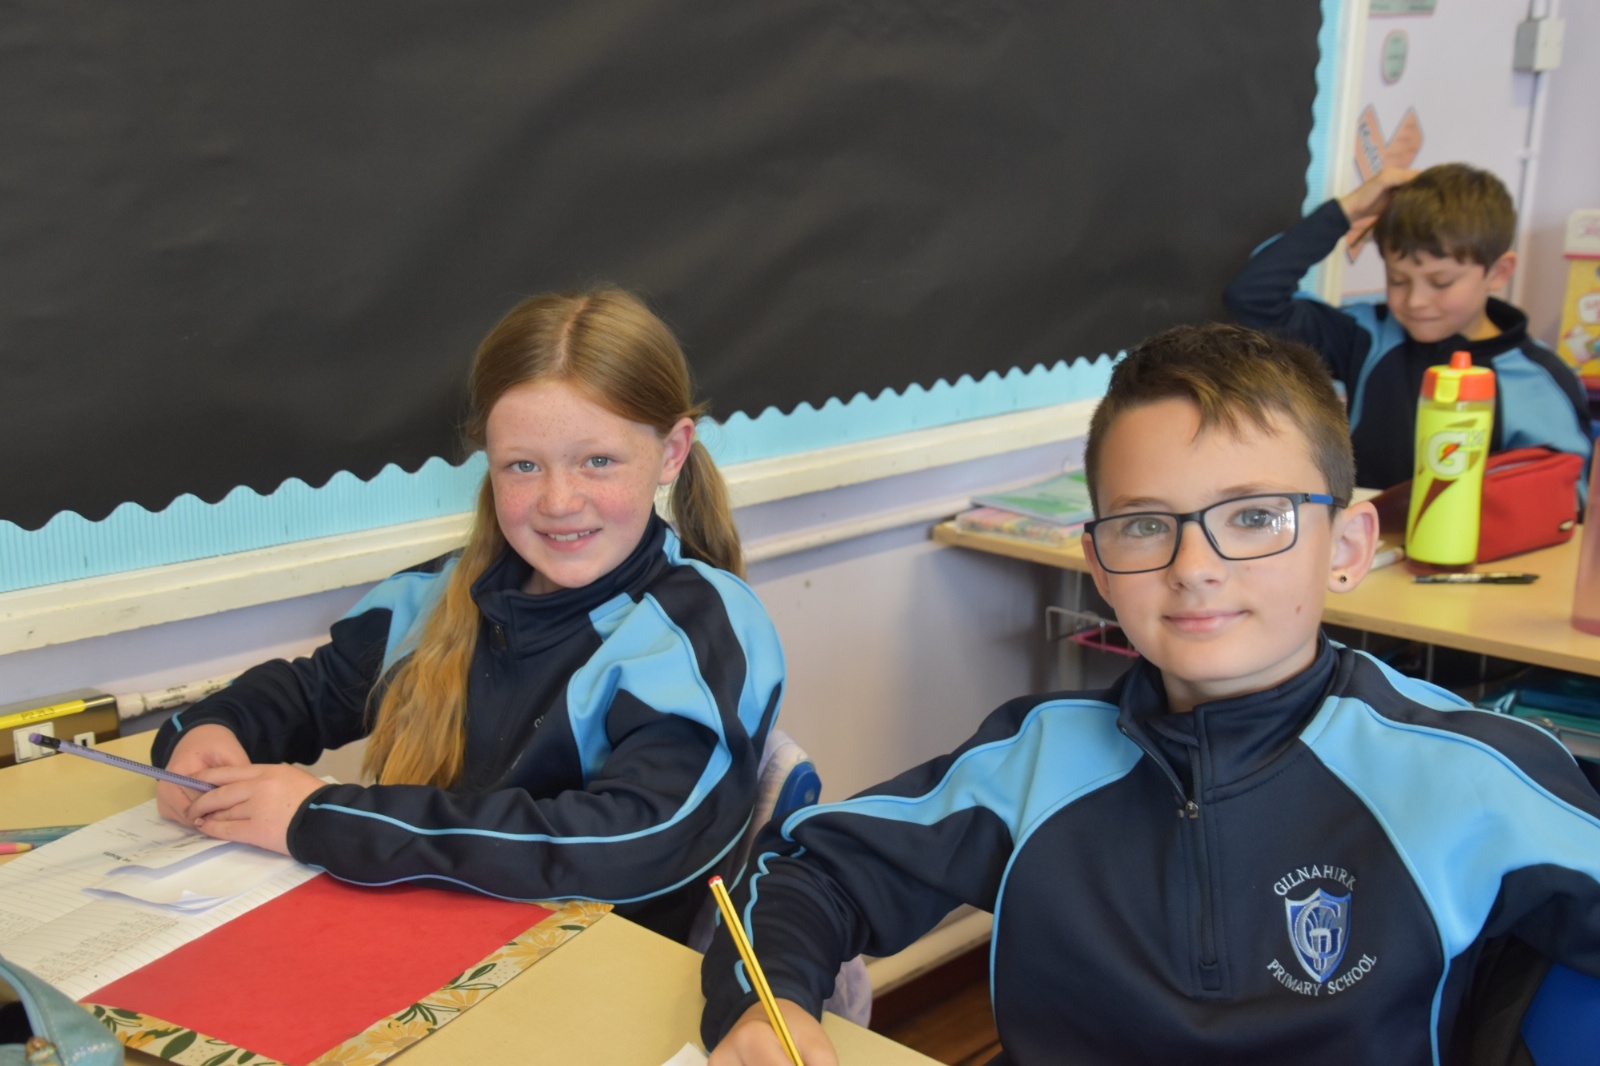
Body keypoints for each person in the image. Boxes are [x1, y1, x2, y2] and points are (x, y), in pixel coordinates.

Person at [700, 323, 1600, 1065]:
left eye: (1255, 516)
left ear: (1348, 547)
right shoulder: (1034, 761)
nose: (1194, 566)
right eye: (1143, 525)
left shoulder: (1467, 775)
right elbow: (809, 872)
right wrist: (768, 1005)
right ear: (1099, 566)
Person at [152, 288, 786, 943]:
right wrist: (207, 732)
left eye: (597, 461)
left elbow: (629, 843)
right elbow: (307, 692)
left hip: (597, 971)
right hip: (430, 941)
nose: (558, 500)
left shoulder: (703, 629)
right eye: (523, 466)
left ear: (672, 452)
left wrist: (323, 818)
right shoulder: (438, 593)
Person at [1225, 162, 1591, 490]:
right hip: (1366, 539)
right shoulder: (1366, 333)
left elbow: (1567, 501)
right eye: (1398, 280)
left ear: (1498, 272)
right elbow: (1253, 298)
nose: (1415, 301)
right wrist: (1347, 211)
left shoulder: (1539, 380)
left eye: (1441, 282)